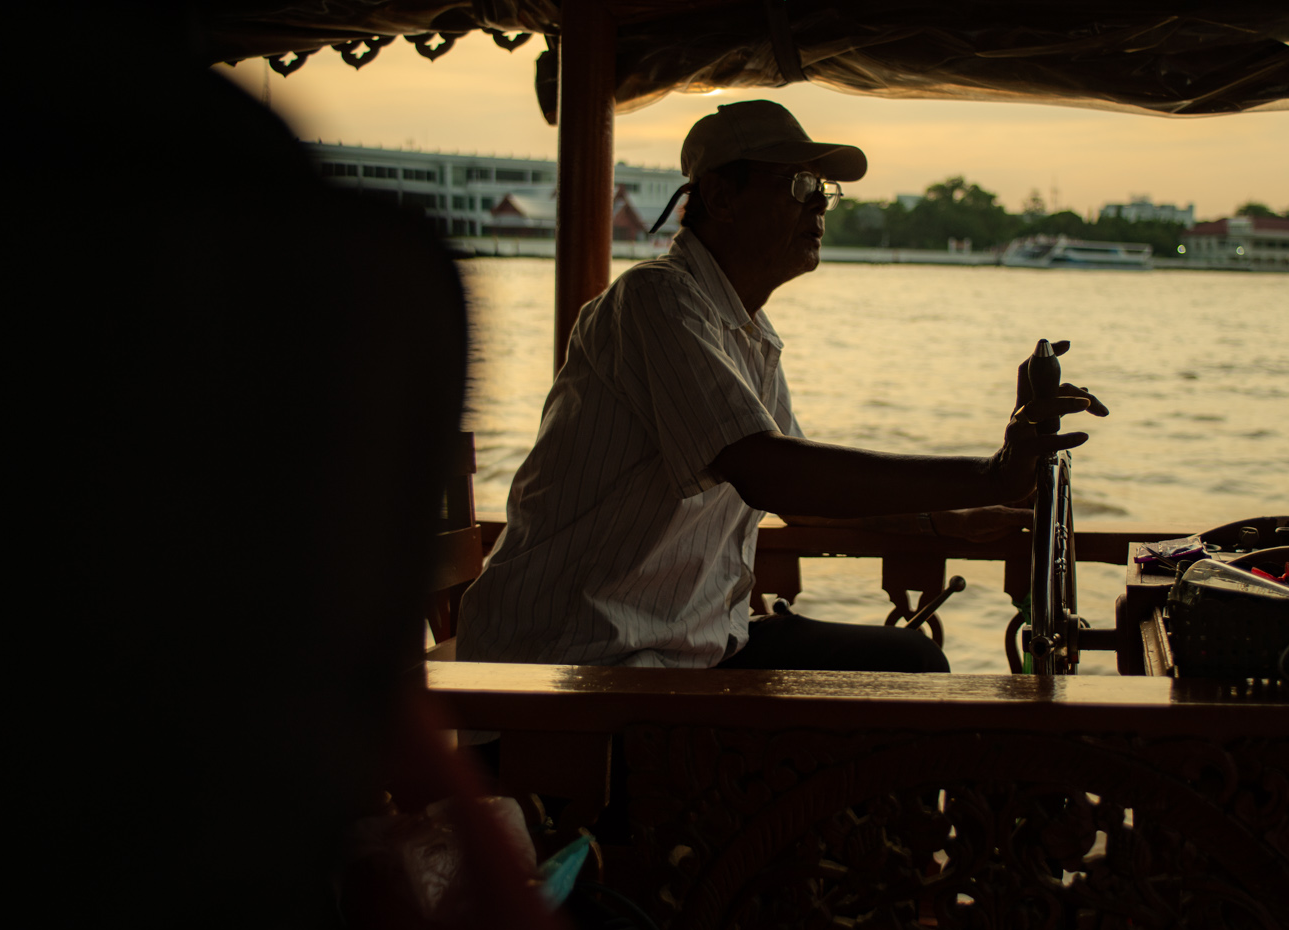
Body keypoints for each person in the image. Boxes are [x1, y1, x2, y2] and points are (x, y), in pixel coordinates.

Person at [457, 100, 1105, 672]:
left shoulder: (745, 329)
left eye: (823, 187)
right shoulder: (656, 300)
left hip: (687, 646)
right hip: (577, 666)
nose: (820, 202)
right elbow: (769, 473)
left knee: (910, 661)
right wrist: (989, 474)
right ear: (721, 196)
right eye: (799, 184)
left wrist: (947, 517)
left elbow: (804, 499)